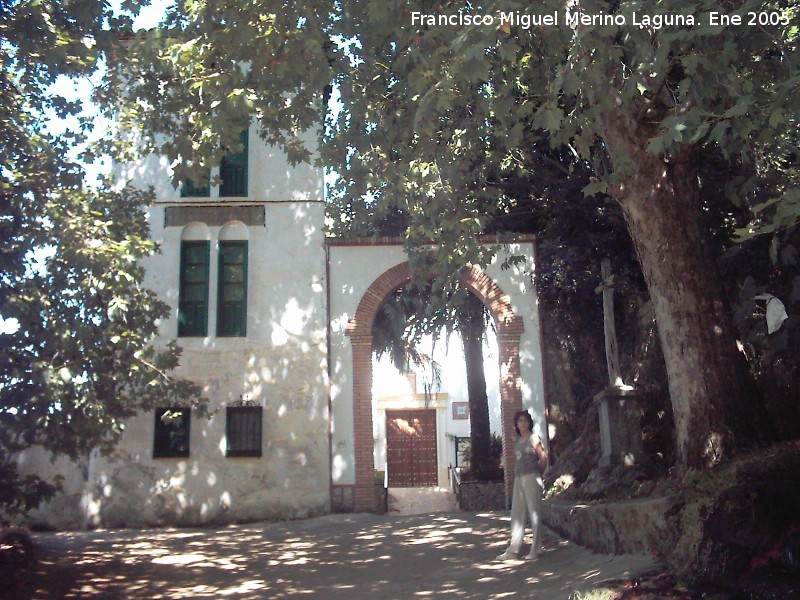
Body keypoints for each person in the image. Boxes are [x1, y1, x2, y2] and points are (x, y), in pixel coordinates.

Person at [496, 409, 548, 561]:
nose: (522, 423)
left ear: (529, 422)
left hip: (532, 477)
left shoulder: (534, 438)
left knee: (534, 512)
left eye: (525, 421)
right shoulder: (517, 441)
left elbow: (543, 458)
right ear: (516, 424)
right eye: (520, 421)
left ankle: (536, 549)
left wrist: (538, 473)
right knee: (517, 514)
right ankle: (514, 549)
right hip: (519, 478)